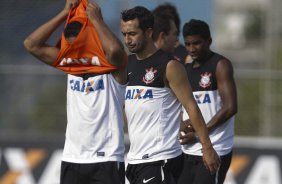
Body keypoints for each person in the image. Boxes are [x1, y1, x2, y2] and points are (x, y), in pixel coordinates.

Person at [23, 0, 127, 183]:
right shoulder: (69, 64)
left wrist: (96, 21)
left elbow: (115, 50)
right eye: (71, 48)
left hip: (106, 158)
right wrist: (64, 13)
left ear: (90, 41)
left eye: (79, 47)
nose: (75, 53)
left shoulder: (112, 68)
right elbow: (31, 44)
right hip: (72, 157)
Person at [120, 6, 220, 184]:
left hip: (160, 159)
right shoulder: (129, 64)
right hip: (135, 160)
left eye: (132, 34)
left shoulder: (169, 66)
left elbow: (191, 106)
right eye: (124, 34)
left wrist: (207, 147)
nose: (127, 39)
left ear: (149, 32)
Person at [178, 19, 238, 184]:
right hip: (187, 150)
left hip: (214, 148)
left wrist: (199, 133)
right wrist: (180, 124)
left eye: (196, 43)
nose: (192, 49)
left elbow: (230, 107)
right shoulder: (186, 70)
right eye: (188, 44)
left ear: (208, 41)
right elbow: (181, 107)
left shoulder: (220, 65)